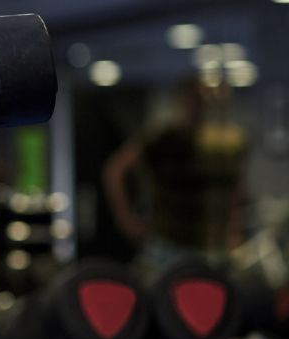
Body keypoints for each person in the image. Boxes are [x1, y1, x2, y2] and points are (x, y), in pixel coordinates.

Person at [102, 77, 248, 267]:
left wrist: (234, 230)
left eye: (203, 97)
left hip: (213, 246)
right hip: (169, 245)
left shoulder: (225, 142)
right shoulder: (163, 138)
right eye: (193, 97)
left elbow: (233, 191)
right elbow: (114, 171)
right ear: (182, 100)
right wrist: (127, 221)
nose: (198, 104)